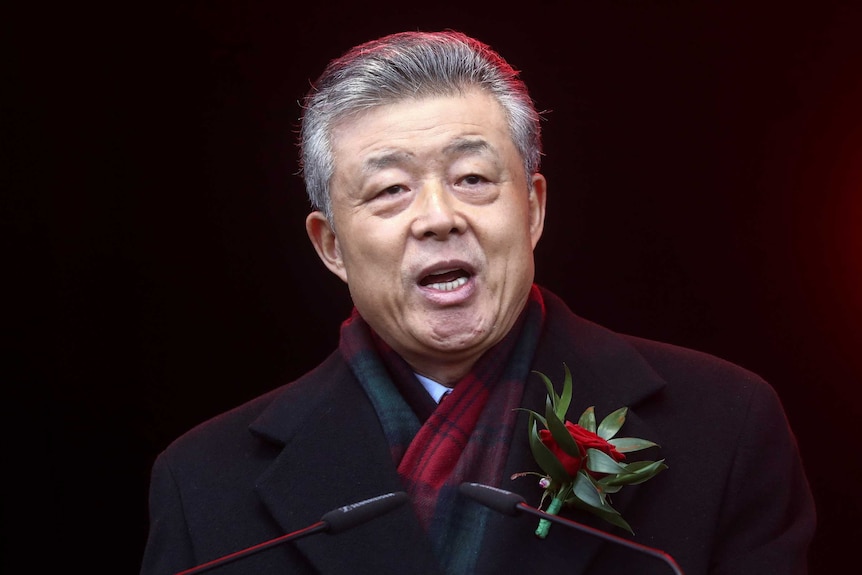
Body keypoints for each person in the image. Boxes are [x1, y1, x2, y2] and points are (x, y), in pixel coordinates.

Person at [140, 30, 816, 575]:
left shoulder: (724, 425)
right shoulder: (204, 482)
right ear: (332, 246)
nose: (437, 217)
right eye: (389, 191)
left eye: (472, 177)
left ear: (533, 208)